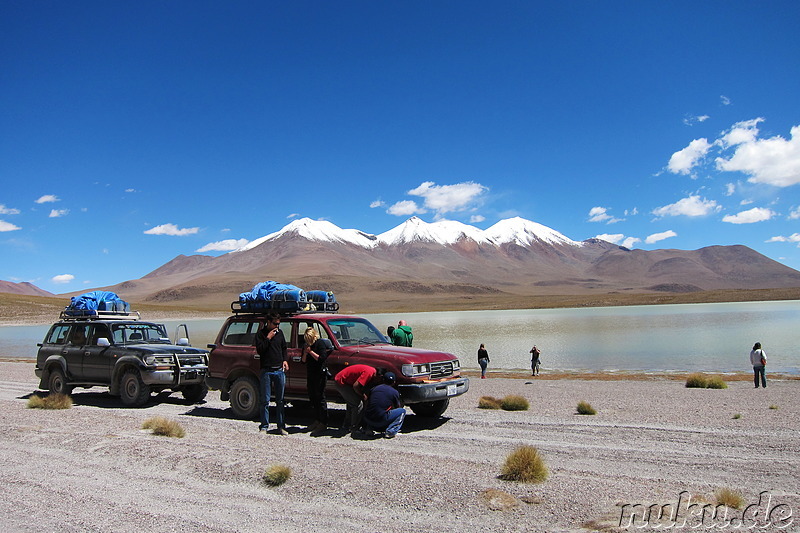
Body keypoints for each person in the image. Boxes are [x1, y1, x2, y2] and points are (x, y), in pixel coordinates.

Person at [255, 313, 289, 435]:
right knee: (265, 400)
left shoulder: (280, 334)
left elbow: (284, 348)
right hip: (266, 370)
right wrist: (268, 338)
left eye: (279, 324)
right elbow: (260, 350)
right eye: (275, 324)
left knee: (280, 400)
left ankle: (281, 426)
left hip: (279, 370)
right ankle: (264, 426)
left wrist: (285, 360)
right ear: (268, 322)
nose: (277, 326)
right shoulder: (260, 334)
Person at [302, 327, 333, 435]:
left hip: (319, 374)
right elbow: (303, 361)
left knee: (320, 397)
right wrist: (306, 352)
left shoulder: (320, 344)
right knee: (313, 397)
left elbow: (322, 358)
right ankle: (317, 420)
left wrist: (311, 352)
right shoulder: (306, 346)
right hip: (310, 374)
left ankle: (323, 422)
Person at [334, 364, 377, 433]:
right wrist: (363, 396)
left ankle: (347, 425)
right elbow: (356, 386)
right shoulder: (369, 373)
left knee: (351, 403)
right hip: (342, 382)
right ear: (379, 376)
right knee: (358, 404)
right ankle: (354, 427)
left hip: (342, 380)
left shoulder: (371, 369)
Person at [363, 372, 405, 438]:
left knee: (372, 408)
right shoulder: (394, 392)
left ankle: (368, 429)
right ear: (394, 382)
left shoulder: (374, 389)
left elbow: (368, 402)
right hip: (380, 421)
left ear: (383, 380)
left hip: (368, 419)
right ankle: (391, 432)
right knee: (402, 411)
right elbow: (398, 407)